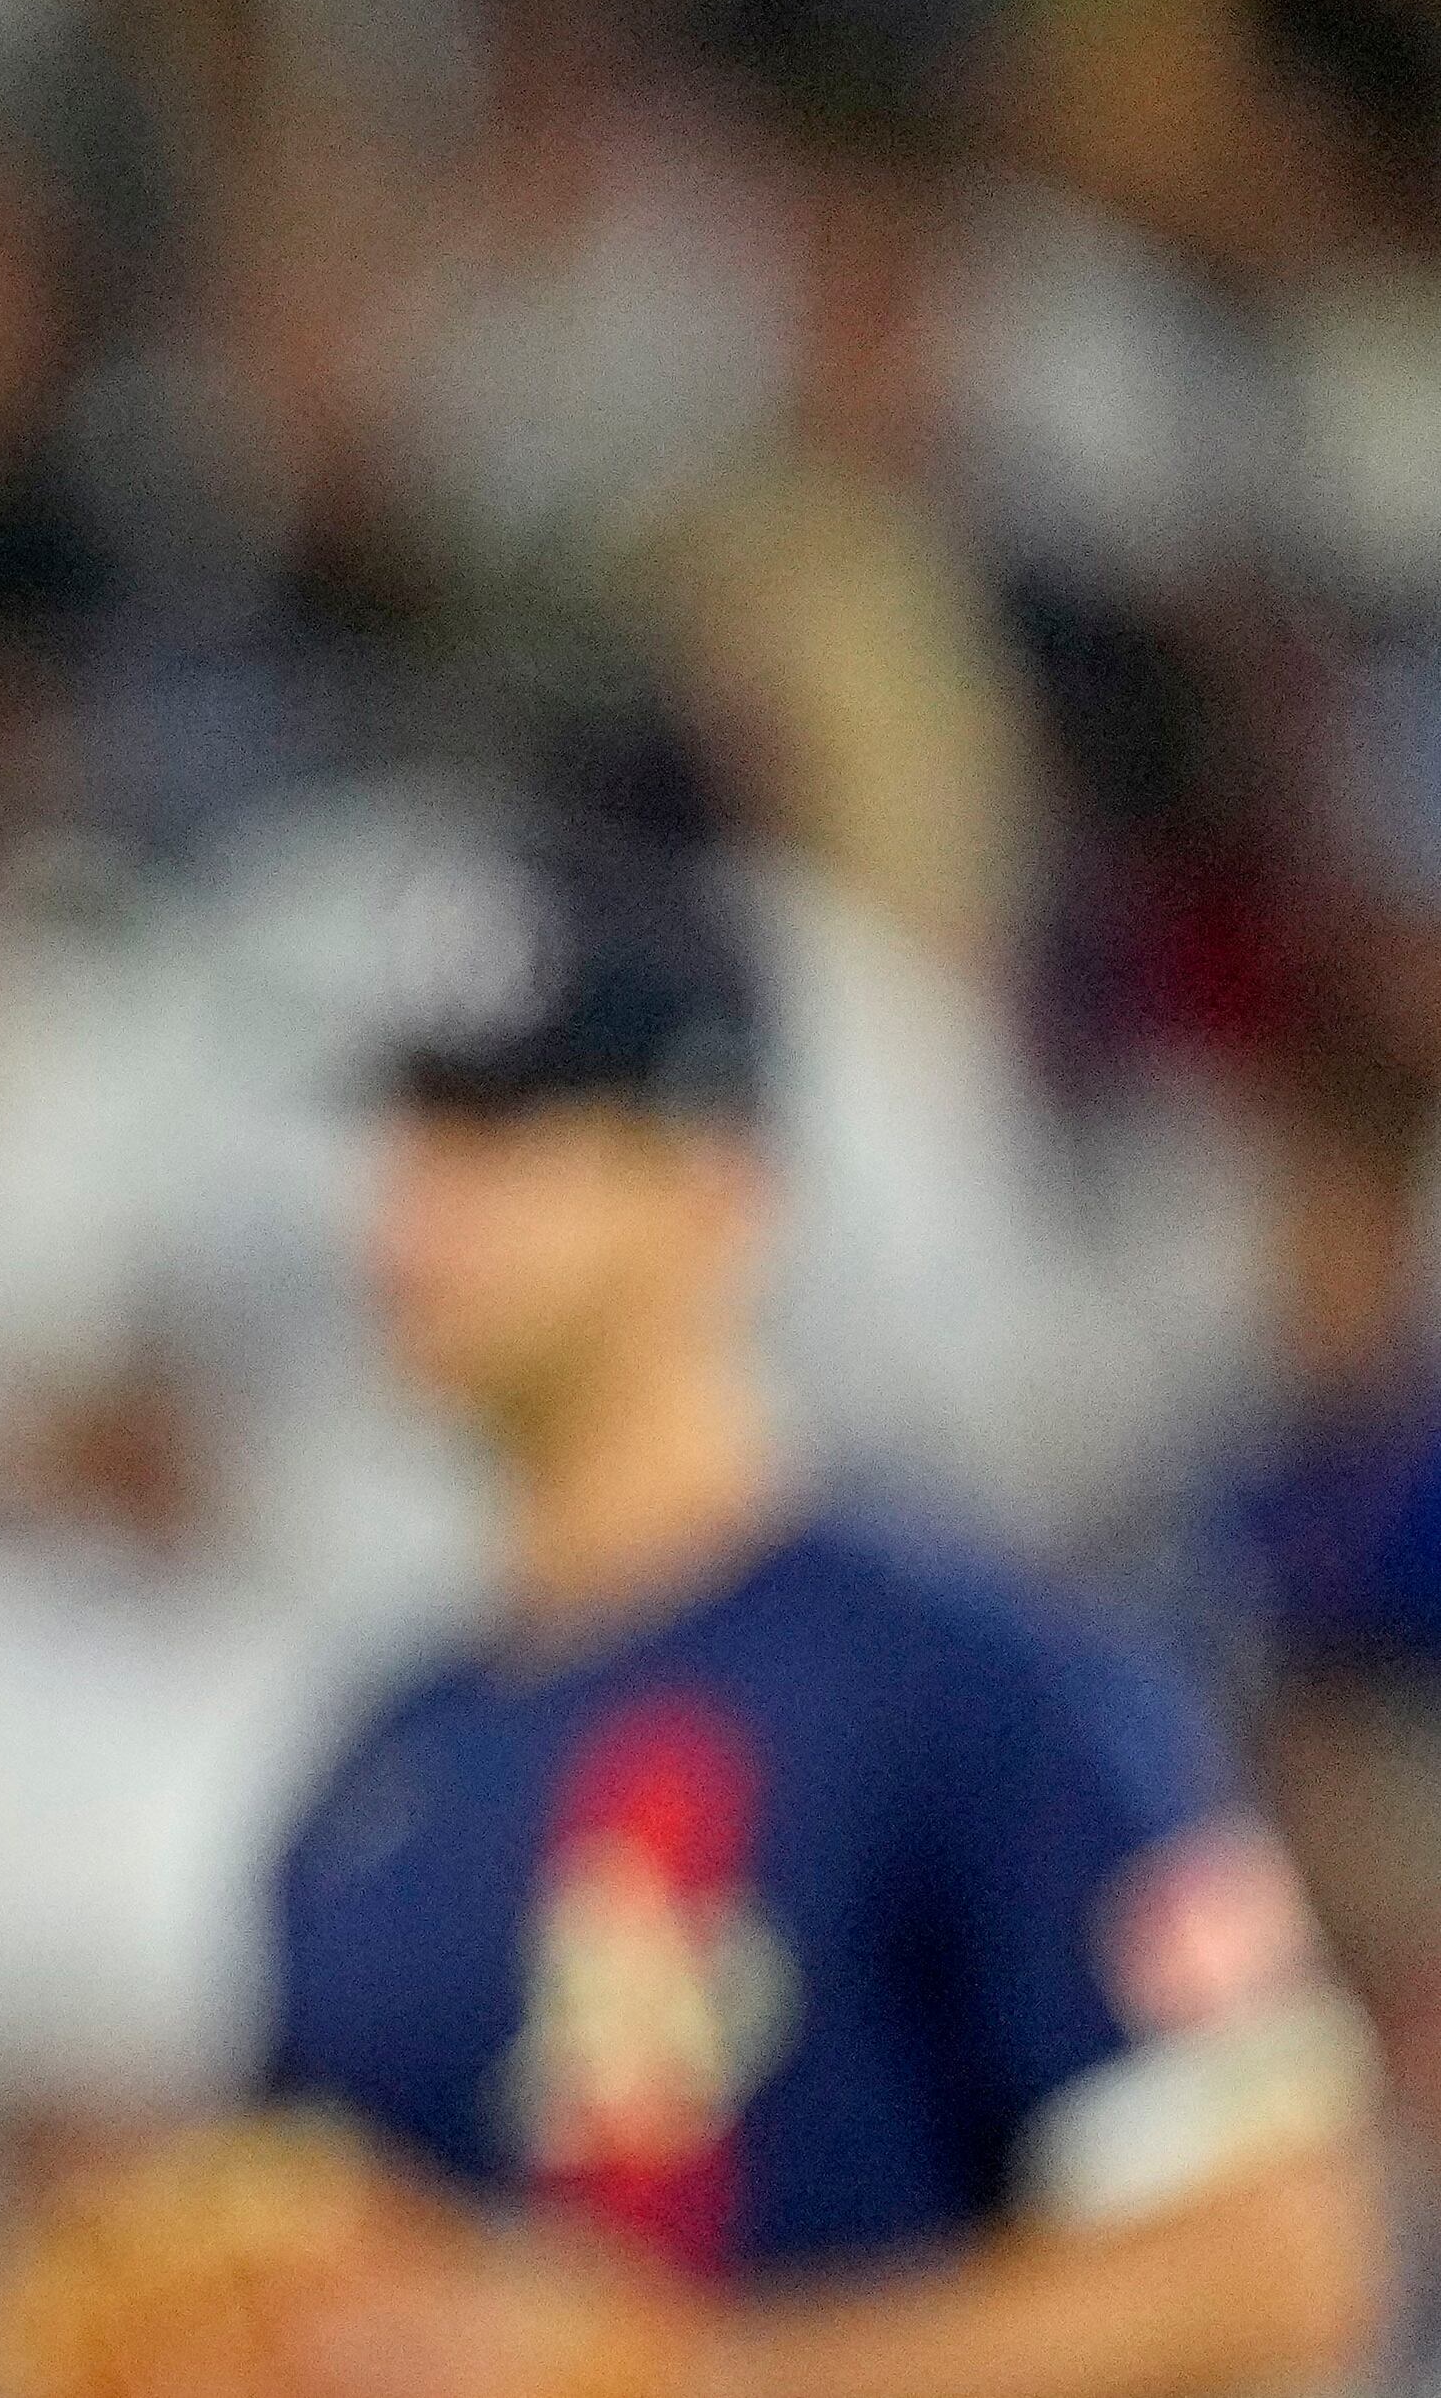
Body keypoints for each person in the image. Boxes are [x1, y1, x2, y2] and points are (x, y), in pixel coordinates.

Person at [251, 825, 1391, 2398]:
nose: (418, 1202)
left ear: (718, 1183)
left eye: (507, 1129)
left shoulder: (982, 1683)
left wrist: (690, 2378)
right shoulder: (371, 1779)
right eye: (403, 1126)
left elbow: (1285, 2260)